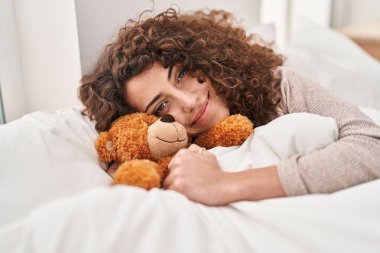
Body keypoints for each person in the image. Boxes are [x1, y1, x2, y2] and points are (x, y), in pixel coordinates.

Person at [78, 8, 380, 206]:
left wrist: (228, 184)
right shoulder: (173, 152)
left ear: (200, 58)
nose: (189, 101)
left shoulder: (279, 85)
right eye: (161, 106)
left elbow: (372, 144)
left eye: (181, 74)